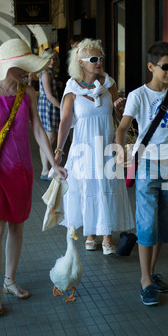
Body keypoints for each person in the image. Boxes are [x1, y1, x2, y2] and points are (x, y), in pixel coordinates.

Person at [0, 38, 67, 316]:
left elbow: (38, 130)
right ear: (8, 66)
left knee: (17, 228)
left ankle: (9, 281)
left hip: (22, 171)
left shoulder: (29, 93)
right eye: (22, 67)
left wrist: (53, 162)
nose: (27, 72)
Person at [116, 41, 168, 306]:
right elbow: (121, 129)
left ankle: (151, 273)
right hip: (147, 165)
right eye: (165, 67)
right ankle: (144, 280)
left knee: (165, 223)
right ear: (151, 66)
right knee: (146, 222)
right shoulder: (138, 95)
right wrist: (121, 151)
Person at [54, 38, 134, 254]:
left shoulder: (109, 84)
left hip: (107, 146)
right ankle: (91, 233)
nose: (98, 62)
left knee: (107, 189)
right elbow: (65, 122)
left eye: (100, 58)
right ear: (80, 62)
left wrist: (120, 107)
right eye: (93, 59)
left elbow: (119, 117)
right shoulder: (71, 88)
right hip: (83, 148)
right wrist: (59, 150)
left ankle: (107, 236)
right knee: (88, 189)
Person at [37, 48, 61, 180]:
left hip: (49, 107)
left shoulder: (49, 73)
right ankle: (45, 170)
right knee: (49, 139)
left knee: (50, 138)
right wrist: (63, 108)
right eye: (50, 58)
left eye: (54, 58)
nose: (52, 61)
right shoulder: (46, 74)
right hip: (48, 107)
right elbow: (50, 96)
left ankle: (47, 169)